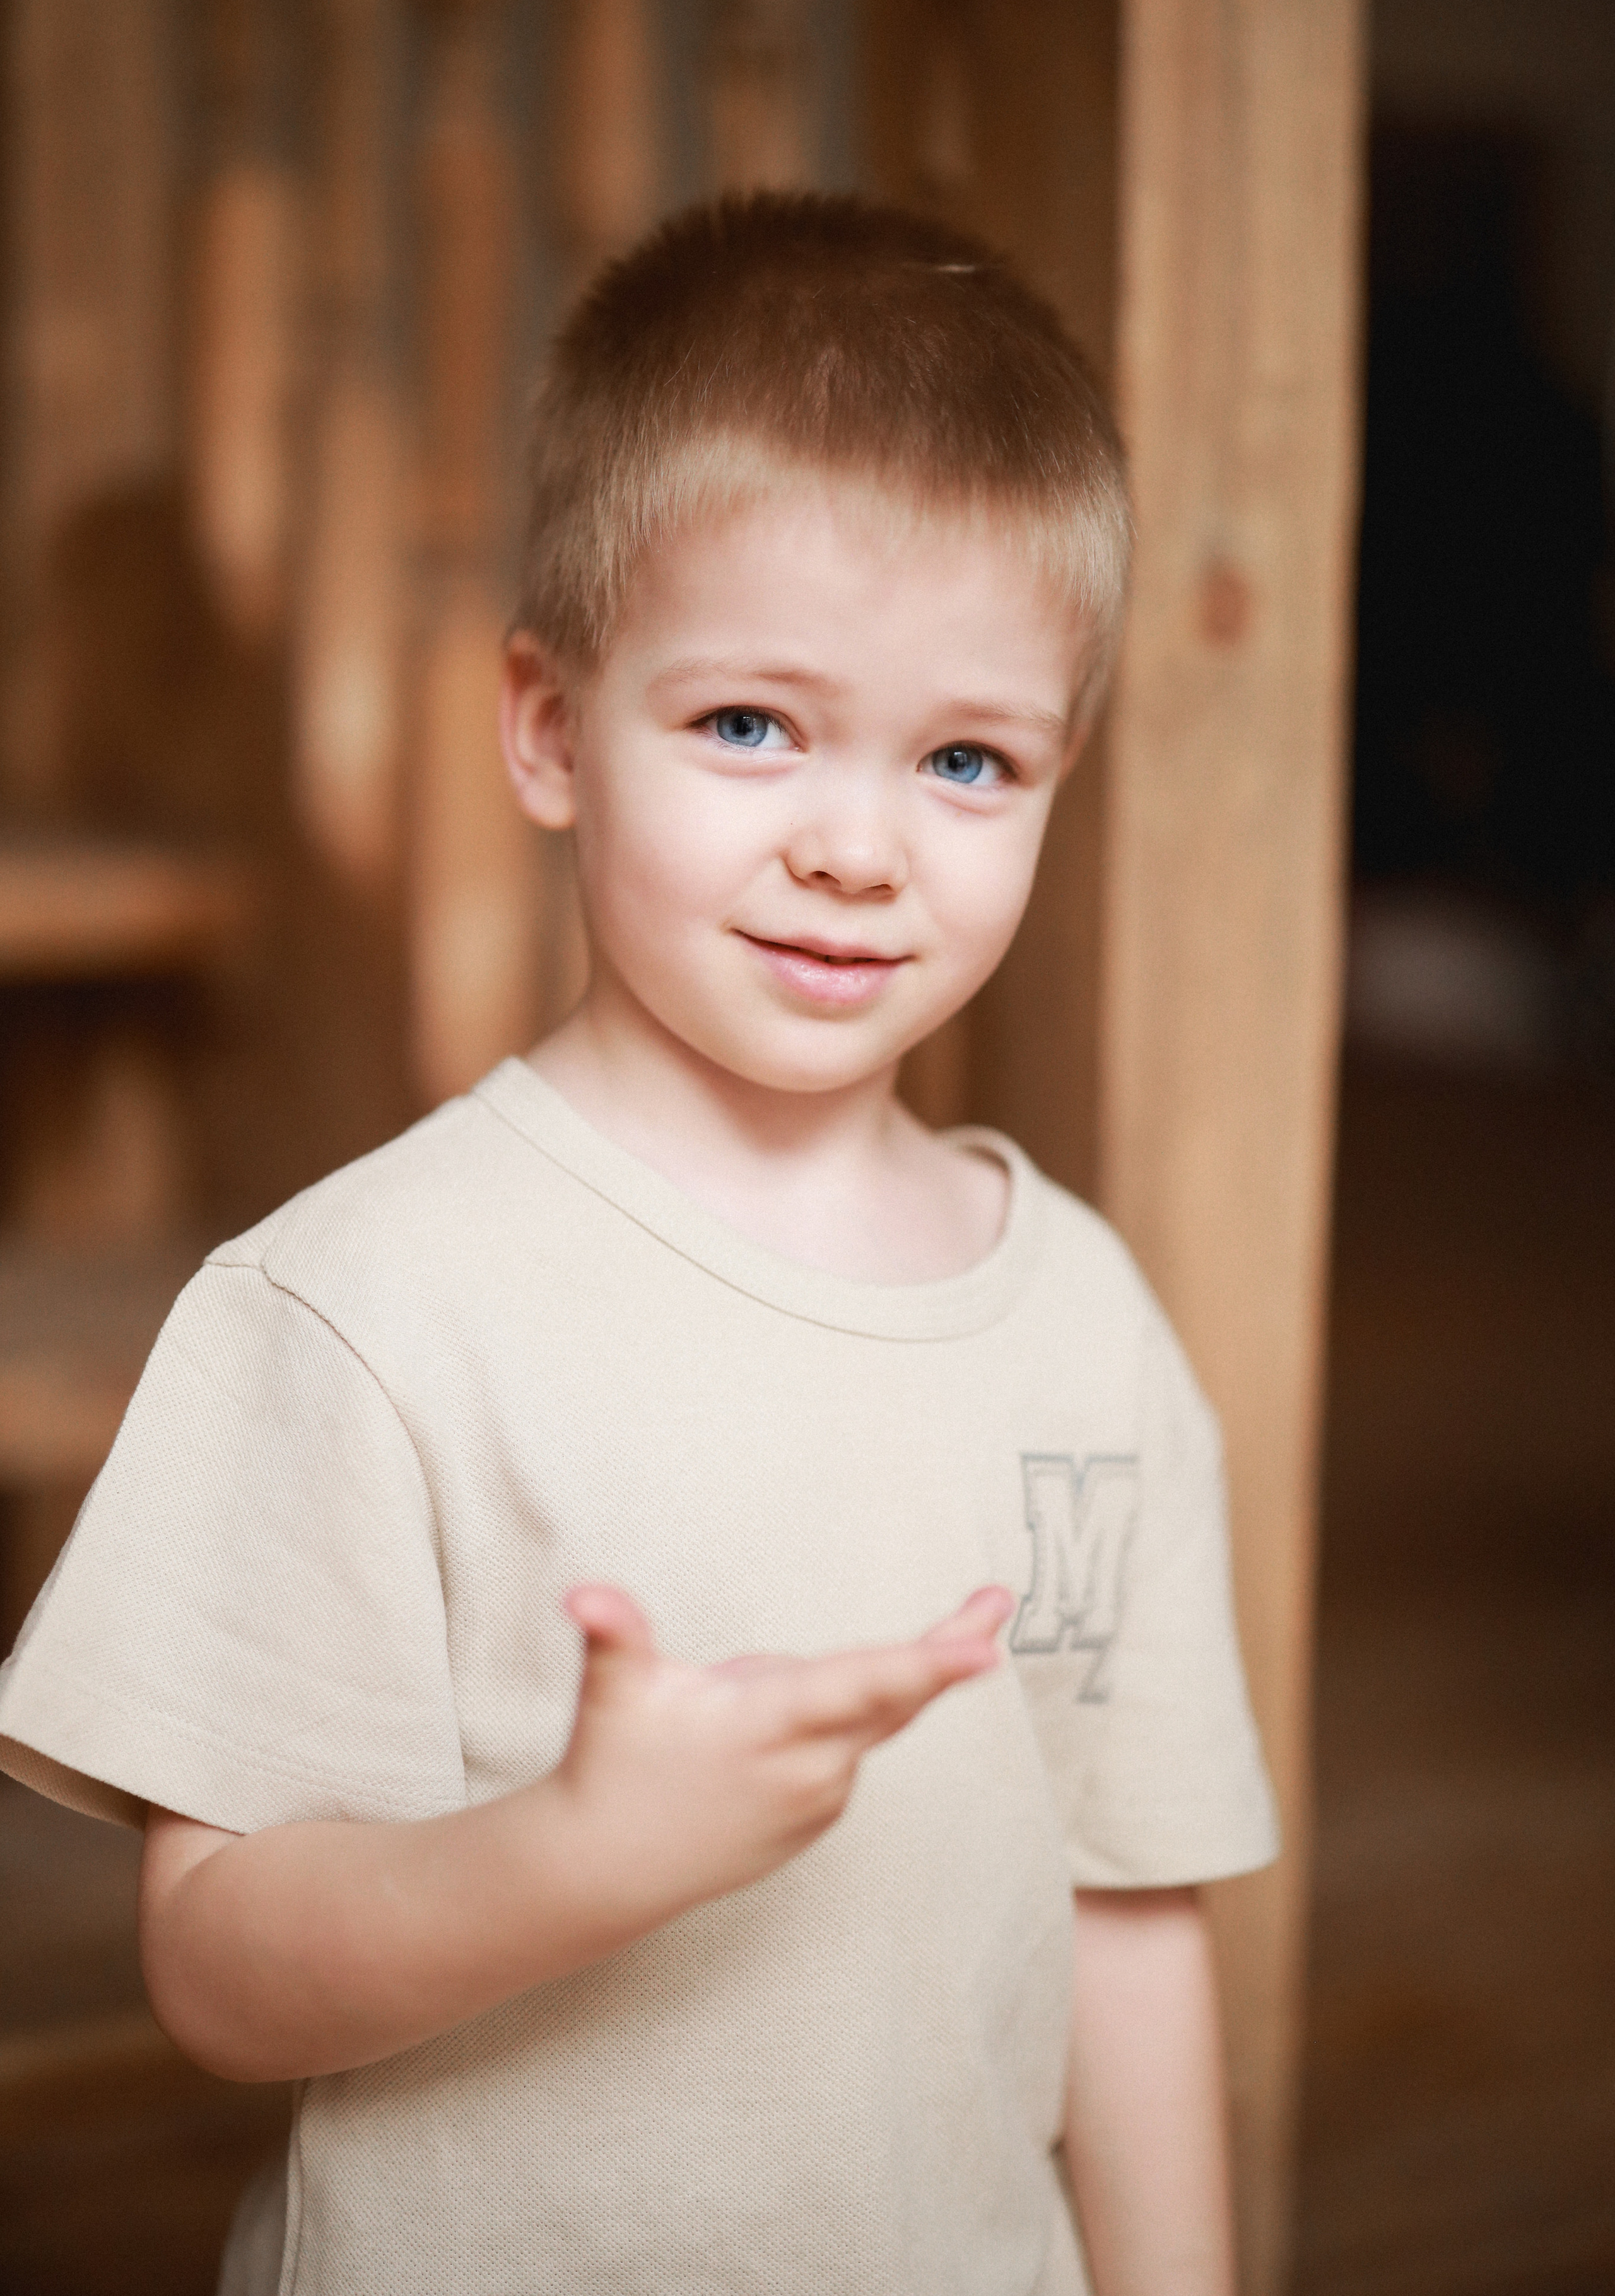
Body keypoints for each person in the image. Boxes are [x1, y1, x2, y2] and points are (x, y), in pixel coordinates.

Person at [0, 192, 1277, 2296]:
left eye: (966, 759)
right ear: (545, 726)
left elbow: (1132, 1911)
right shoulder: (362, 1310)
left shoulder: (1088, 1329)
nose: (855, 845)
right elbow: (218, 1975)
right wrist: (576, 1861)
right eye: (751, 725)